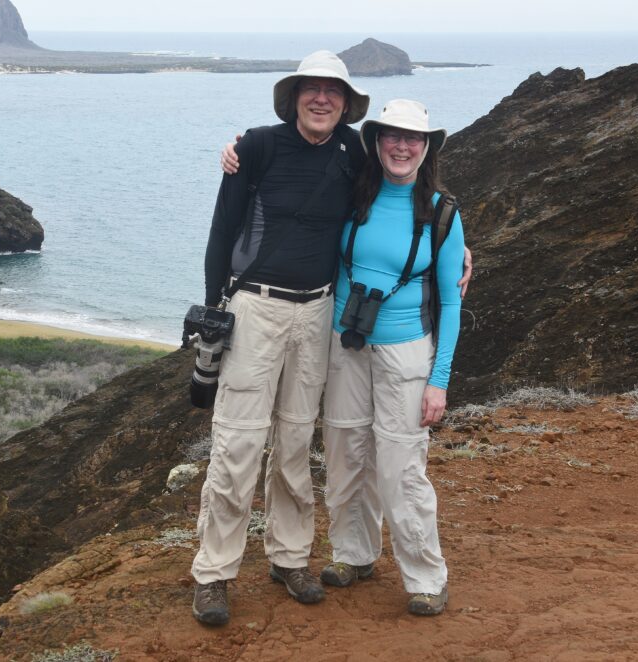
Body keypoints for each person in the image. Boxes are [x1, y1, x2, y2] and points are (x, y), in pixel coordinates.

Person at [190, 51, 370, 626]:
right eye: (310, 90)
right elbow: (223, 227)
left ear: (345, 105)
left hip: (317, 313)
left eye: (332, 92)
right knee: (238, 443)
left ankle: (289, 558)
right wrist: (215, 302)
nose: (322, 99)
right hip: (255, 310)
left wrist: (452, 240)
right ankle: (214, 573)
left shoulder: (354, 152)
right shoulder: (258, 147)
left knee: (295, 442)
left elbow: (398, 197)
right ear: (293, 98)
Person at [318, 99, 464, 616]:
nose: (402, 146)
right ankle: (353, 555)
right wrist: (235, 151)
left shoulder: (443, 213)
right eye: (392, 136)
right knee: (345, 453)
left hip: (406, 351)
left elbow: (450, 300)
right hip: (346, 345)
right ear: (376, 142)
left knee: (401, 466)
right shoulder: (353, 194)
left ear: (426, 149)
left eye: (414, 139)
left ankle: (426, 577)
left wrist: (438, 379)